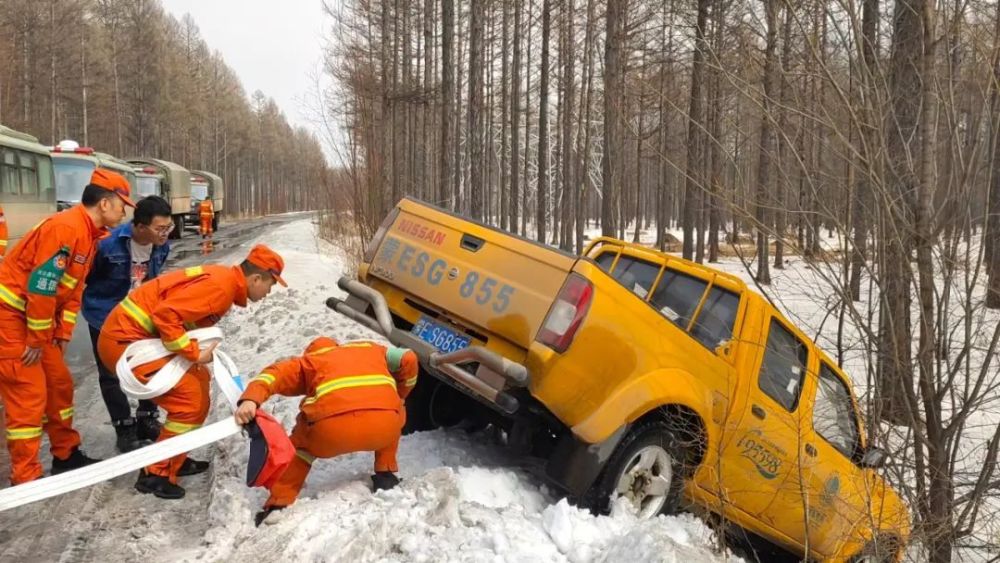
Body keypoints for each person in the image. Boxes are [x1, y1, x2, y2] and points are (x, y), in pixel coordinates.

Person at [97, 244, 287, 499]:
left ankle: (175, 456)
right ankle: (156, 473)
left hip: (136, 340)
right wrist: (193, 352)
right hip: (127, 344)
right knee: (189, 399)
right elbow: (166, 315)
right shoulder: (221, 288)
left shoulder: (224, 281)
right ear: (256, 278)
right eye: (270, 286)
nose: (267, 293)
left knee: (198, 381)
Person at [0, 169, 134, 484]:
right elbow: (42, 288)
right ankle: (26, 476)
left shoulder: (87, 235)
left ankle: (66, 454)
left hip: (35, 323)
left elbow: (72, 289)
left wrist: (60, 333)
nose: (124, 211)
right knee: (28, 396)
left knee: (58, 386)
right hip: (11, 319)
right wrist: (36, 339)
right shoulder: (65, 229)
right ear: (104, 203)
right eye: (121, 204)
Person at [234, 336, 418, 526]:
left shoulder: (310, 362)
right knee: (394, 413)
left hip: (328, 433)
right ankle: (386, 475)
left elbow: (273, 375)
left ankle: (278, 504)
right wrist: (401, 393)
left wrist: (251, 399)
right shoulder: (370, 348)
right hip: (383, 428)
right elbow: (408, 357)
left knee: (301, 450)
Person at [82, 195, 173, 452]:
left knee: (148, 365)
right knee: (110, 374)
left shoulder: (161, 245)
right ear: (140, 226)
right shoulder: (108, 244)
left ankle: (147, 419)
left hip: (141, 316)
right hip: (104, 315)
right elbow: (87, 276)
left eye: (168, 228)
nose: (165, 234)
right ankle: (124, 428)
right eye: (160, 228)